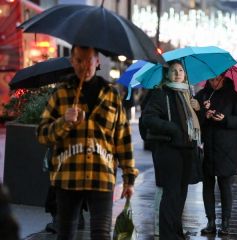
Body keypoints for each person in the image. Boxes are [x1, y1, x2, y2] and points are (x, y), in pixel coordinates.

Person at [37, 45, 138, 240]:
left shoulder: (111, 94)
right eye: (80, 60)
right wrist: (63, 122)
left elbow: (123, 139)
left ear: (97, 61)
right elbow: (42, 134)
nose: (85, 65)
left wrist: (129, 178)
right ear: (72, 62)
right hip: (68, 176)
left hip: (102, 175)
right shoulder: (61, 95)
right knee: (66, 233)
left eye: (90, 60)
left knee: (101, 234)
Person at [141, 60, 201, 239]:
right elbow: (148, 118)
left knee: (181, 194)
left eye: (181, 70)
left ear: (185, 74)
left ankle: (176, 232)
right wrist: (171, 128)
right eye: (173, 70)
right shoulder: (161, 94)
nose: (177, 73)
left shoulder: (188, 95)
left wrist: (198, 110)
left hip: (187, 149)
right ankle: (167, 235)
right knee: (171, 194)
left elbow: (193, 124)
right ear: (167, 74)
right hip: (169, 150)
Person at [195, 75, 237, 236]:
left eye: (217, 80)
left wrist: (225, 119)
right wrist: (204, 114)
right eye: (211, 80)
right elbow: (193, 119)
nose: (214, 83)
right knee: (208, 185)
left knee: (225, 186)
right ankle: (210, 222)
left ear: (224, 78)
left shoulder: (233, 96)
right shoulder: (203, 95)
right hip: (208, 148)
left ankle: (226, 222)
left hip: (227, 149)